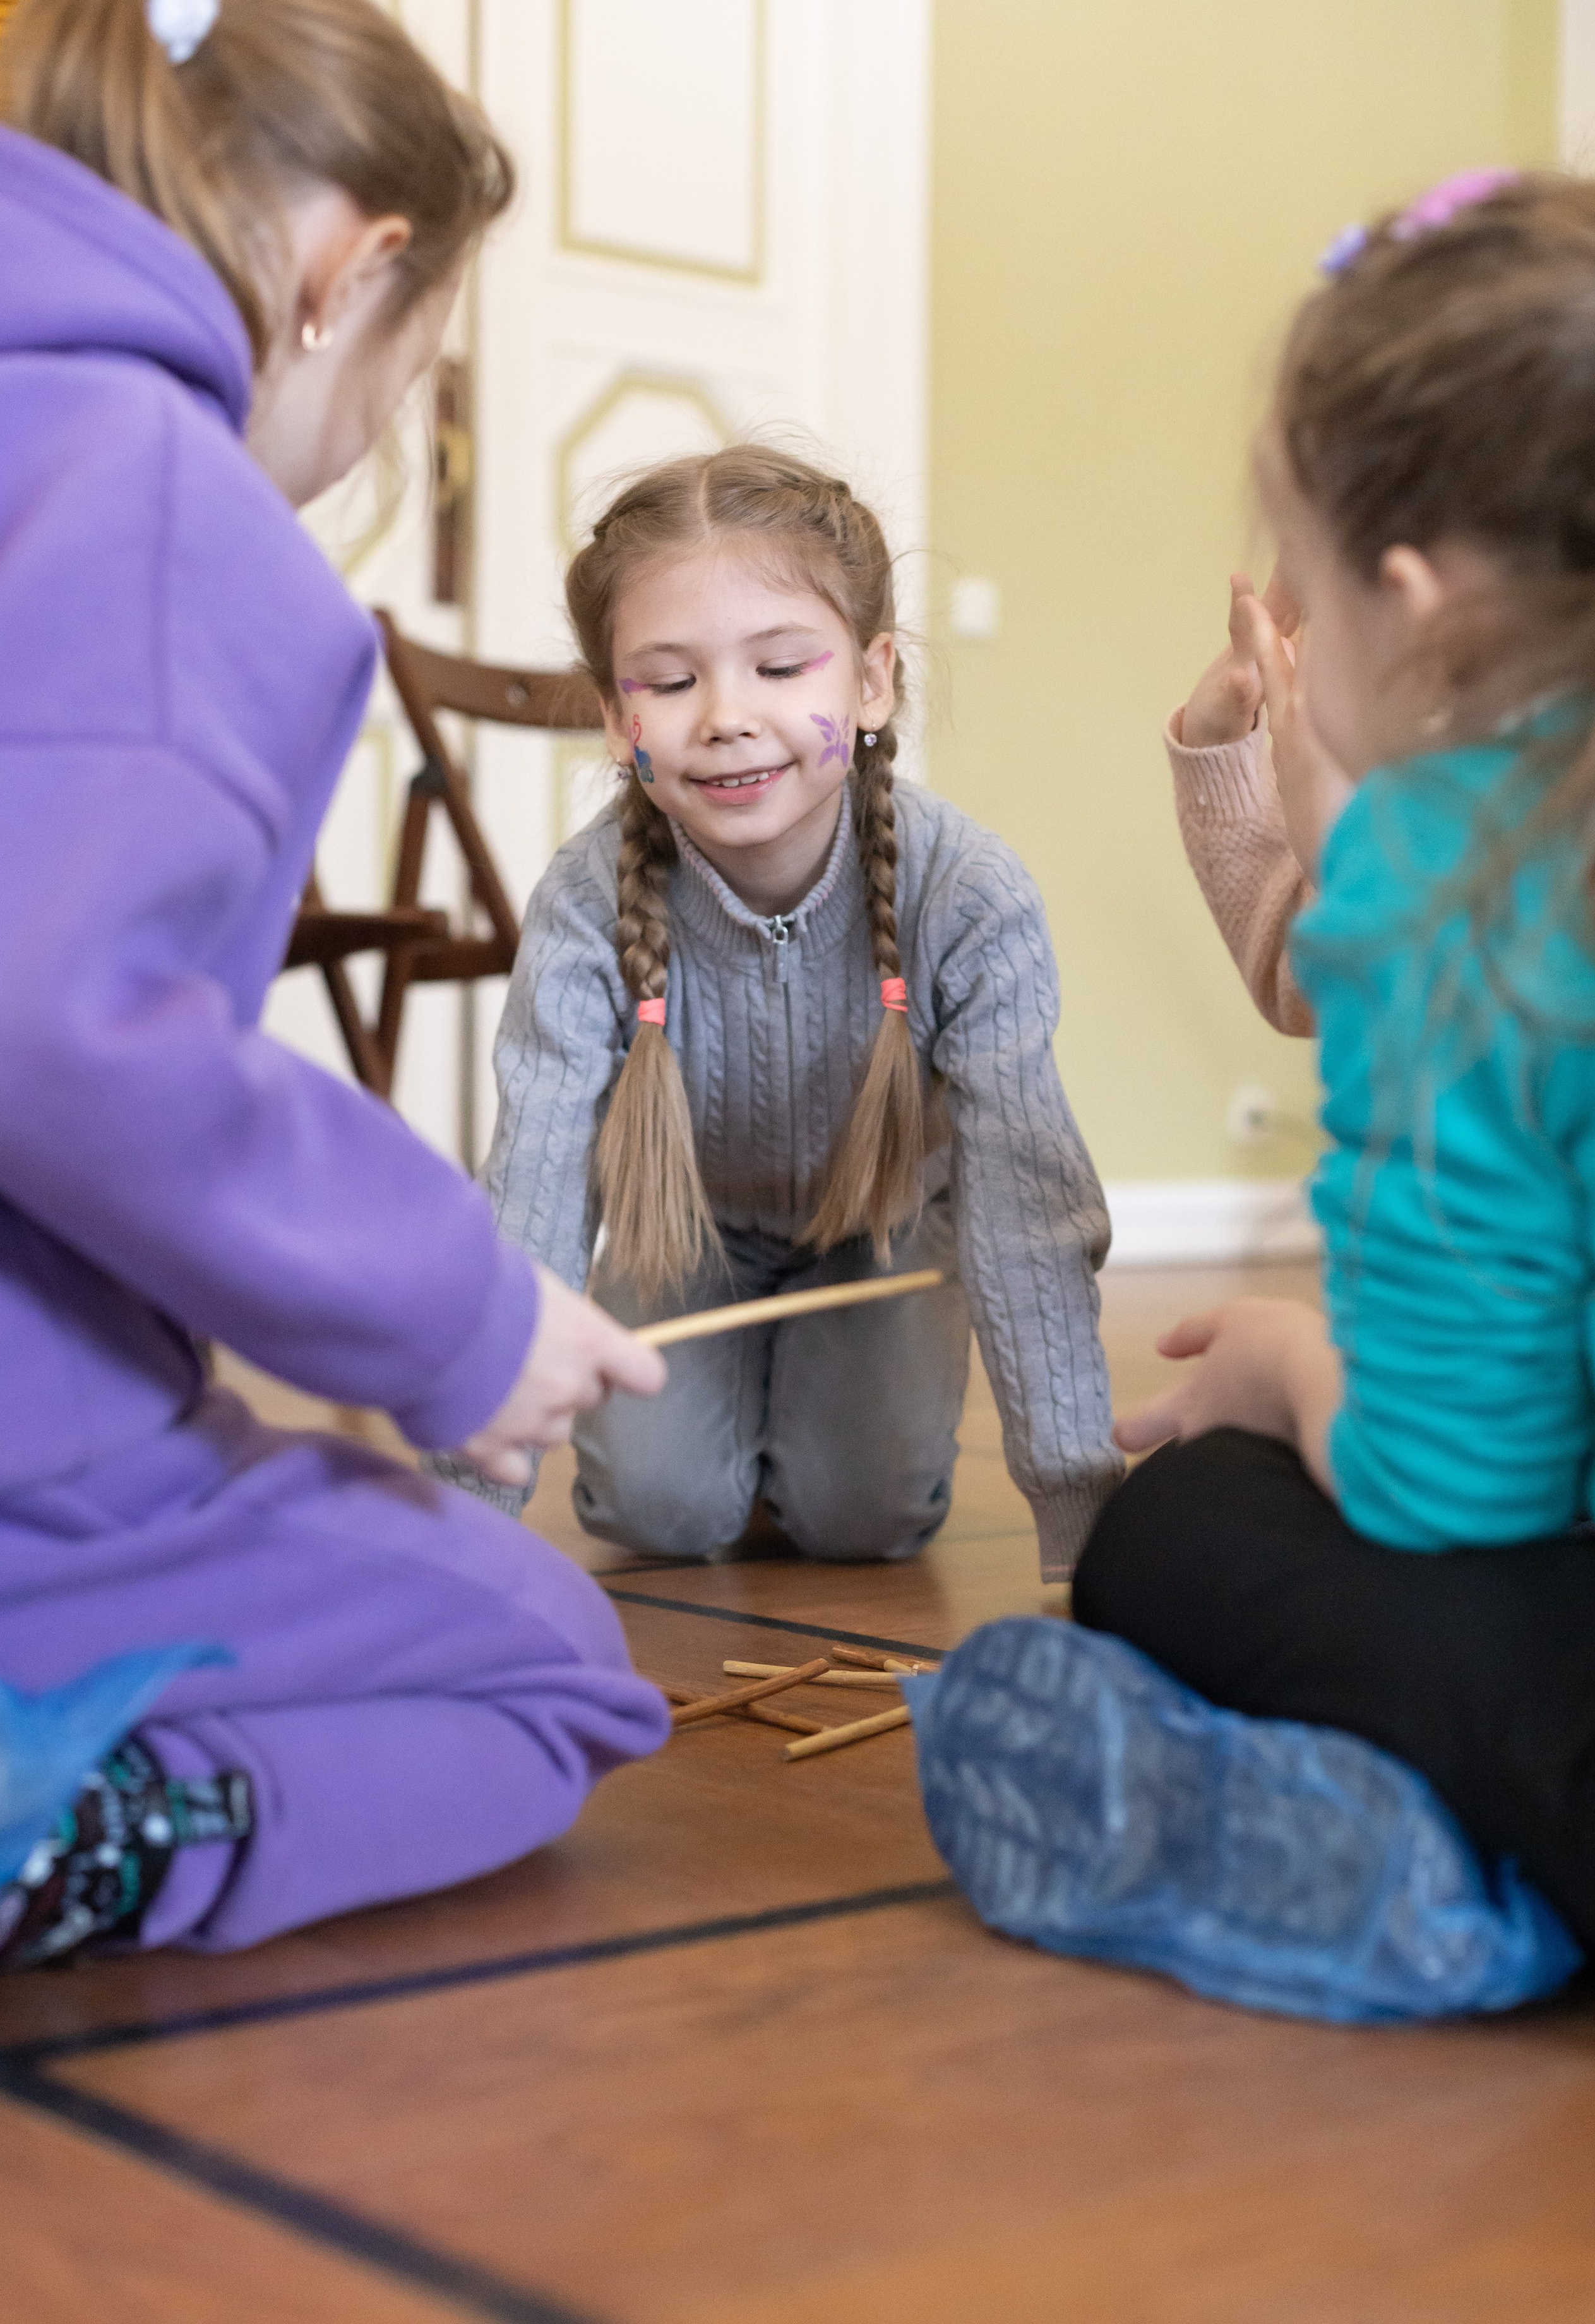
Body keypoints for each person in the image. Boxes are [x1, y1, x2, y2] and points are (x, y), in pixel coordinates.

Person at [0, 0, 669, 1972]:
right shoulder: (159, 502)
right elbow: (57, 1014)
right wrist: (458, 1308)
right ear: (351, 270)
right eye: (420, 367)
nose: (383, 427)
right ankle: (80, 1831)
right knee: (548, 1663)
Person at [1075, 168, 1595, 1958]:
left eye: (1301, 569)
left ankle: (1459, 1871)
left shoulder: (1462, 861)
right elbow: (1297, 948)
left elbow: (1459, 1488)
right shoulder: (1431, 842)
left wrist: (1291, 1371)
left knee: (1177, 1526)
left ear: (1420, 598)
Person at [452, 445, 1120, 1583]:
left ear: (870, 683)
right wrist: (463, 1517)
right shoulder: (582, 899)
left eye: (778, 667)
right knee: (655, 1509)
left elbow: (1027, 1207)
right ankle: (734, 1421)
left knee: (860, 1519)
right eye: (668, 683)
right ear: (618, 720)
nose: (726, 717)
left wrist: (1082, 1529)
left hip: (881, 1236)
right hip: (685, 1235)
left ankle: (821, 1400)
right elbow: (533, 1187)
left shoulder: (969, 895)